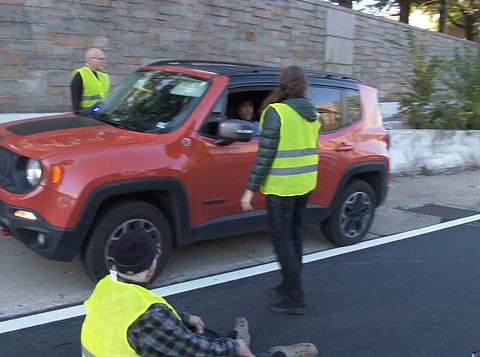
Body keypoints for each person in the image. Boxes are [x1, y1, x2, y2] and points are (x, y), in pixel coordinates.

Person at [80, 227, 318, 357]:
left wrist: (184, 319)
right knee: (214, 349)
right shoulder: (148, 317)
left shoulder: (106, 286)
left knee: (194, 331)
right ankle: (276, 354)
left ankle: (232, 338)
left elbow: (141, 322)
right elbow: (193, 352)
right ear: (151, 264)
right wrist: (234, 349)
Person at [240, 66, 320, 315]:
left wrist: (249, 191)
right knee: (294, 236)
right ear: (303, 86)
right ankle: (288, 285)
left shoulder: (277, 112)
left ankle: (296, 297)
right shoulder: (311, 113)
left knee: (282, 240)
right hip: (304, 183)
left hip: (282, 187)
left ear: (283, 84)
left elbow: (265, 155)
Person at [70, 48, 110, 113]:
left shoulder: (104, 76)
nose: (103, 62)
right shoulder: (80, 74)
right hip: (86, 115)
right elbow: (76, 103)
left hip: (101, 114)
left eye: (103, 59)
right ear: (91, 59)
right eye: (100, 59)